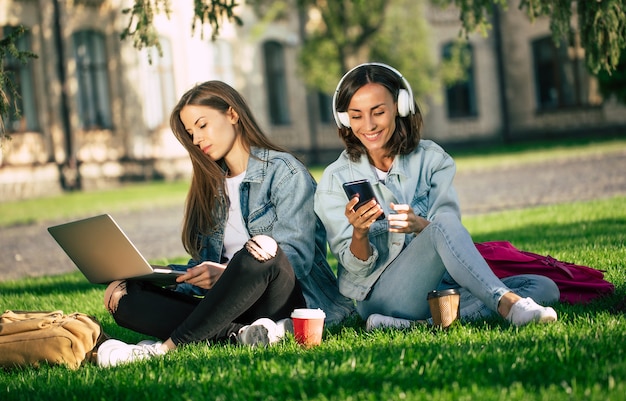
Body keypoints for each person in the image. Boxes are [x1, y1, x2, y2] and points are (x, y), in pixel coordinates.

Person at [97, 81, 354, 367]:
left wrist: (227, 274)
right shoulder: (212, 188)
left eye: (202, 125)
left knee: (261, 249)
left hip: (287, 300)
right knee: (127, 300)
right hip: (234, 308)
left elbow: (297, 258)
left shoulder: (285, 172)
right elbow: (205, 266)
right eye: (191, 133)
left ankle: (164, 348)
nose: (196, 139)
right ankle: (243, 335)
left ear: (232, 114)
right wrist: (148, 281)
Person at [314, 62, 559, 331]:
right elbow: (356, 270)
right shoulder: (335, 179)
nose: (368, 125)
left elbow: (449, 234)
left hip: (438, 288)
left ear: (400, 106)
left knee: (543, 287)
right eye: (357, 115)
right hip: (379, 296)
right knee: (445, 229)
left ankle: (413, 324)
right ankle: (505, 303)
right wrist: (359, 233)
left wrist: (419, 225)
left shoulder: (432, 160)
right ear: (345, 119)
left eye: (378, 112)